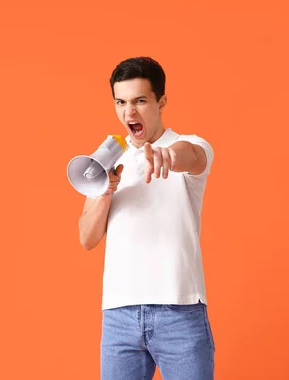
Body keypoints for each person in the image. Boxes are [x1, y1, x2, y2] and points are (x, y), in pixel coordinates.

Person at [78, 56, 215, 380]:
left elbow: (190, 157)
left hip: (179, 311)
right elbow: (87, 238)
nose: (130, 113)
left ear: (161, 101)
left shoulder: (191, 145)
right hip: (118, 315)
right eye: (121, 102)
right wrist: (105, 191)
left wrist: (168, 155)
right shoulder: (108, 160)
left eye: (140, 100)